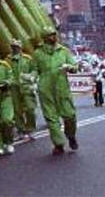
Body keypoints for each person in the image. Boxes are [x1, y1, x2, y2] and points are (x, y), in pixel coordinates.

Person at [32, 27, 78, 155]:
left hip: (62, 88)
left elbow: (75, 67)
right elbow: (35, 69)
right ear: (45, 37)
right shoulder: (37, 53)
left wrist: (69, 67)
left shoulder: (63, 51)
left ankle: (71, 135)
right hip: (45, 89)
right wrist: (31, 77)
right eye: (50, 35)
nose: (53, 37)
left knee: (70, 115)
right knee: (51, 119)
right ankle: (58, 144)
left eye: (54, 34)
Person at [8, 40, 38, 140]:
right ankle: (21, 130)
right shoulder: (8, 60)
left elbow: (34, 70)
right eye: (13, 47)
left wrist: (31, 77)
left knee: (30, 109)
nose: (14, 48)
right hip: (13, 88)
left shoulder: (27, 59)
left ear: (20, 47)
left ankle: (31, 129)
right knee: (17, 110)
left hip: (26, 87)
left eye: (16, 47)